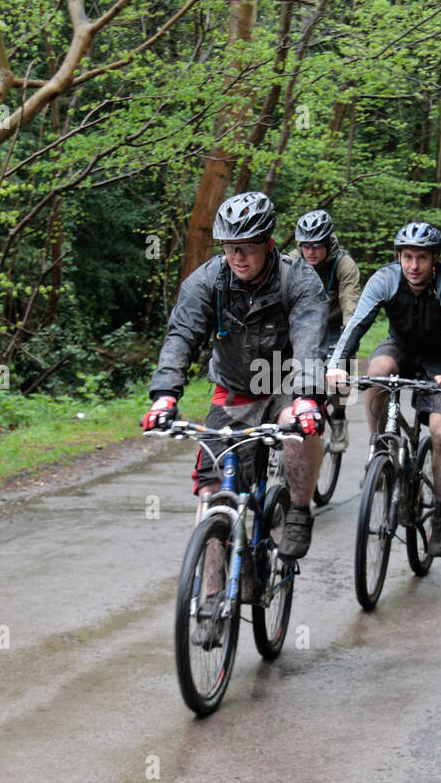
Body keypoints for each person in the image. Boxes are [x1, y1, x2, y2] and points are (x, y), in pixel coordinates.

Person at [141, 192, 329, 644]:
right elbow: (182, 335)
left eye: (246, 245)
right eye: (229, 246)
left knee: (298, 434)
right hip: (233, 389)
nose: (237, 256)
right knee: (213, 492)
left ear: (268, 241)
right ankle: (210, 598)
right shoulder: (206, 281)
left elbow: (308, 341)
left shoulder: (299, 280)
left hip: (285, 381)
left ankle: (299, 510)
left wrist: (305, 399)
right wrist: (165, 395)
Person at [325, 222, 441, 557]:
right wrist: (336, 364)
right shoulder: (385, 279)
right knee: (377, 371)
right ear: (398, 257)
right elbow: (357, 324)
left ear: (435, 259)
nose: (414, 266)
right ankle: (380, 447)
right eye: (407, 257)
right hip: (400, 347)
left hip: (440, 361)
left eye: (421, 258)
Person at [286, 210, 362, 450]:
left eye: (316, 245)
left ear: (328, 242)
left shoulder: (343, 264)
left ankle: (338, 416)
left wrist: (346, 349)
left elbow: (352, 307)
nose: (310, 251)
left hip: (333, 327)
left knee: (342, 370)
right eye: (305, 245)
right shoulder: (291, 262)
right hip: (301, 327)